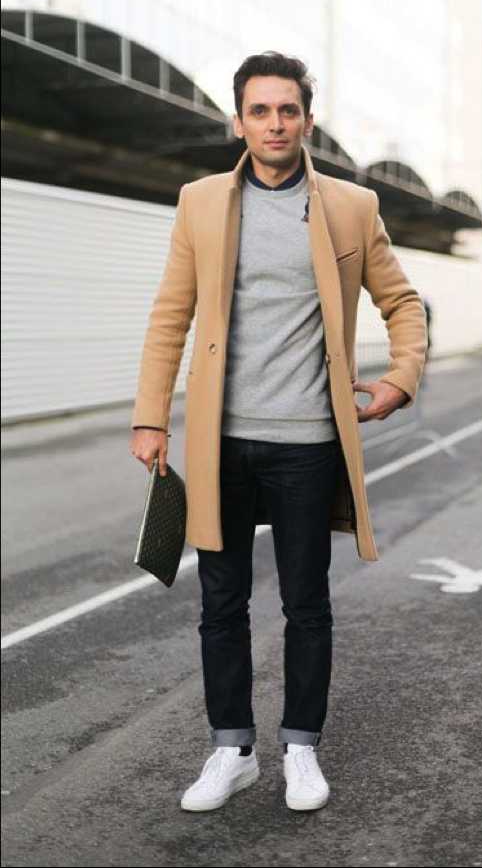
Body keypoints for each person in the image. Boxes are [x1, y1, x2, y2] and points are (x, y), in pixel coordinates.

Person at [129, 51, 428, 812]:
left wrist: (400, 377)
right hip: (220, 442)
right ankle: (232, 750)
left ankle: (300, 748)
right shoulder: (200, 201)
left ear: (307, 121)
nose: (274, 124)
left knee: (306, 603)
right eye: (259, 111)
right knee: (220, 605)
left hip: (308, 443)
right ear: (239, 122)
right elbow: (171, 313)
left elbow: (402, 302)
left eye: (287, 110)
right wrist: (150, 415)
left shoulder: (352, 207)